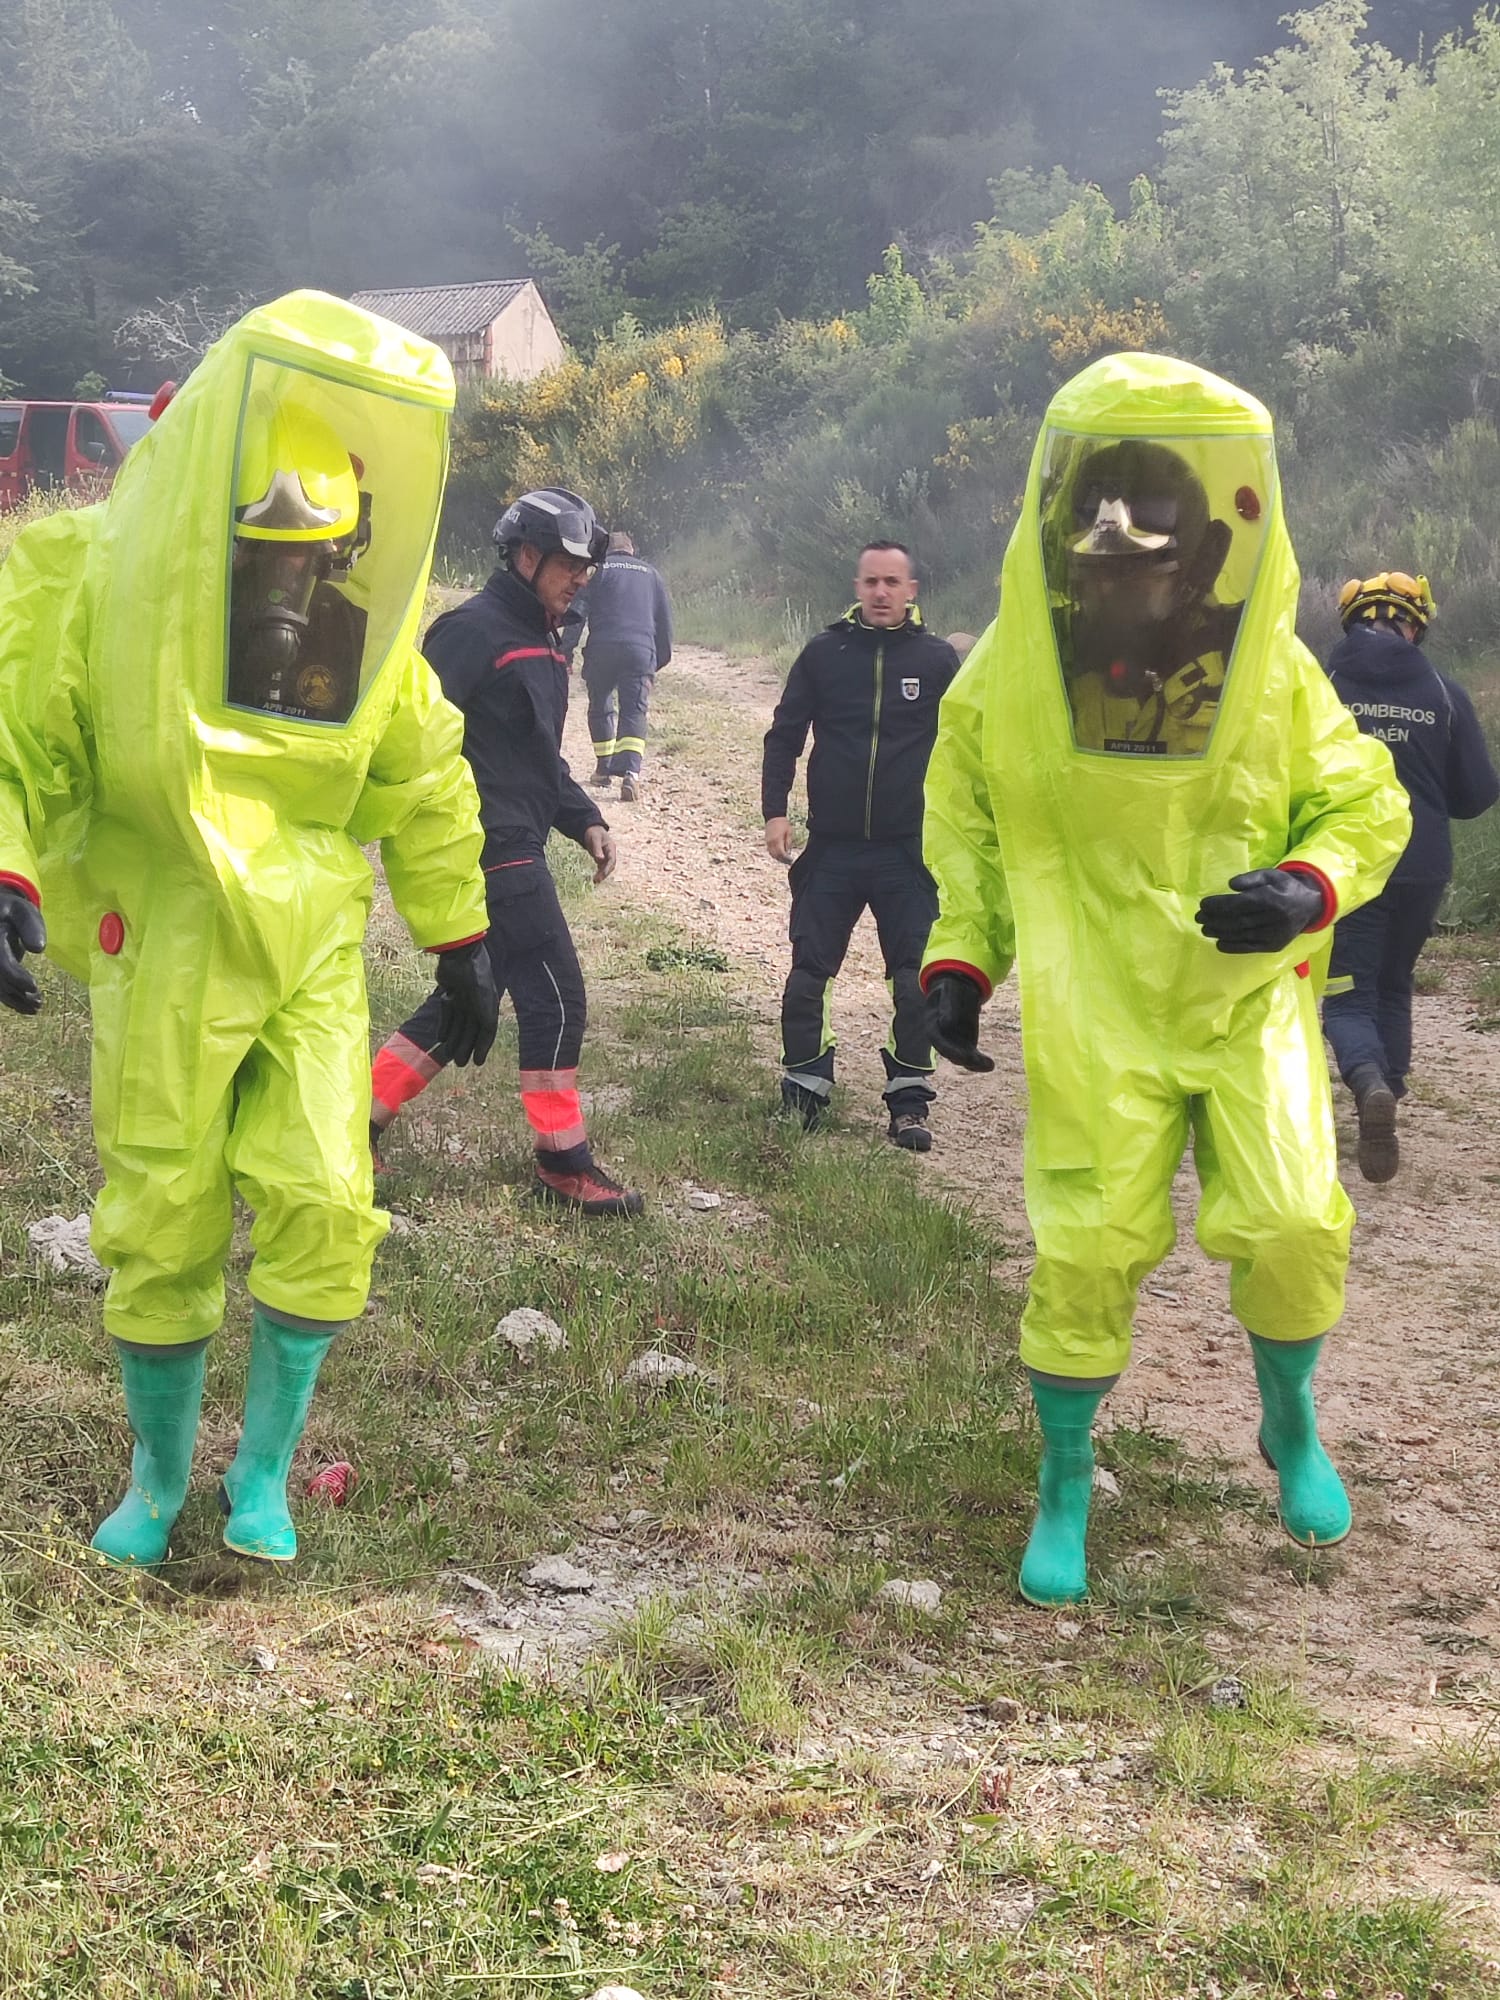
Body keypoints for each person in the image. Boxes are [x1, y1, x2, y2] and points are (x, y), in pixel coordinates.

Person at [0, 290, 499, 1569]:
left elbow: (426, 764)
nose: (291, 579)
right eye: (264, 551)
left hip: (314, 944)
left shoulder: (363, 638)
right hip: (162, 931)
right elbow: (12, 725)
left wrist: (459, 931)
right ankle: (158, 1475)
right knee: (163, 1201)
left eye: (314, 553)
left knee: (328, 1195)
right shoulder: (103, 586)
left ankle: (261, 1473)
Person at [919, 352, 1410, 1607]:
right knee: (1085, 1250)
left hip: (1246, 1002)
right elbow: (969, 830)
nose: (1120, 577)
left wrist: (1309, 883)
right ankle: (1066, 1481)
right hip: (1098, 1008)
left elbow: (1362, 795)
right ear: (1062, 551)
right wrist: (962, 958)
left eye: (1144, 559)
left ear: (1193, 559)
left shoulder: (1270, 674)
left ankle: (1289, 1422)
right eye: (1098, 558)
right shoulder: (1008, 682)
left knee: (1297, 1220)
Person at [369, 488, 643, 1217]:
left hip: (522, 838)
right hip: (481, 845)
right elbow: (413, 740)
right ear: (524, 556)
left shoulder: (549, 638)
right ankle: (563, 1161)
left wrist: (585, 819)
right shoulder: (470, 633)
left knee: (470, 996)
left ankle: (354, 1123)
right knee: (558, 998)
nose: (580, 577)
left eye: (586, 566)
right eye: (566, 564)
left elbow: (537, 756)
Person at [762, 540, 961, 1151]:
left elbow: (968, 749)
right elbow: (785, 733)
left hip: (907, 851)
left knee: (915, 981)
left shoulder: (936, 662)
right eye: (871, 581)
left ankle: (909, 1103)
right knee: (808, 973)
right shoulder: (826, 653)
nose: (880, 592)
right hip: (835, 848)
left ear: (912, 591)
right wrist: (775, 812)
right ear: (857, 586)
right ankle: (805, 1091)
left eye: (892, 582)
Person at [1321, 571, 1498, 1181]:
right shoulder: (1443, 691)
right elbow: (1477, 793)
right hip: (1422, 863)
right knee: (1395, 981)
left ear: (1351, 620)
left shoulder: (1323, 686)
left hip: (1346, 862)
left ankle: (1366, 1079)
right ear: (1416, 624)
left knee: (1347, 991)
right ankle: (1385, 1101)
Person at [580, 530, 674, 802]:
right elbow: (665, 625)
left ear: (607, 550)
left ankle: (603, 768)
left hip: (601, 650)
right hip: (639, 652)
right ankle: (631, 774)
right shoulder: (652, 574)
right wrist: (657, 660)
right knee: (634, 710)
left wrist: (563, 652)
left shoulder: (597, 571)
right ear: (632, 549)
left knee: (600, 706)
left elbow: (577, 614)